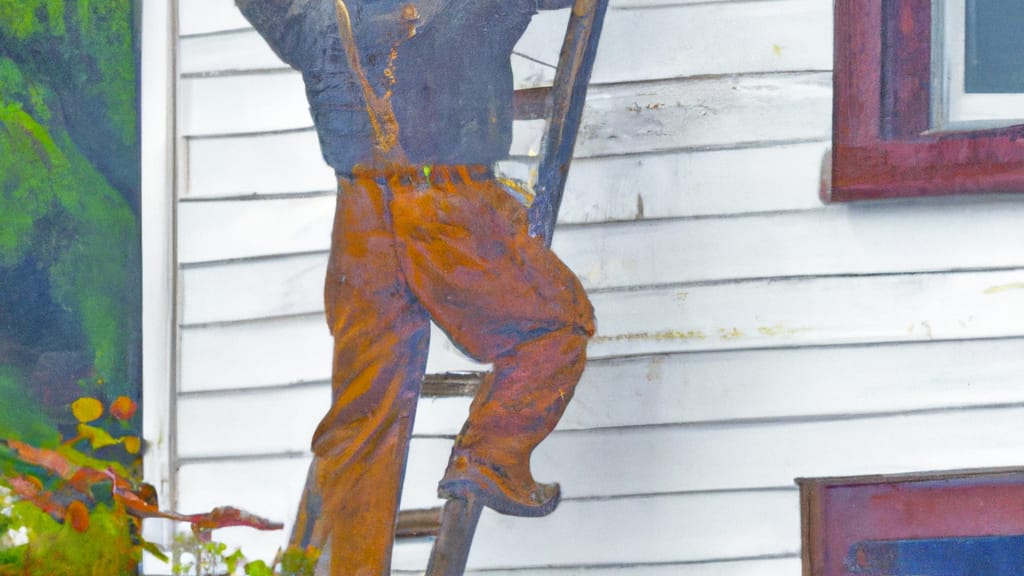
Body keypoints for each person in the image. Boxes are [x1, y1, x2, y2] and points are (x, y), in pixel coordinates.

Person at [235, 1, 594, 573]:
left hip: (358, 214)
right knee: (557, 325)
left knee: (365, 413)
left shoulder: (313, 14)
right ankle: (488, 460)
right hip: (447, 201)